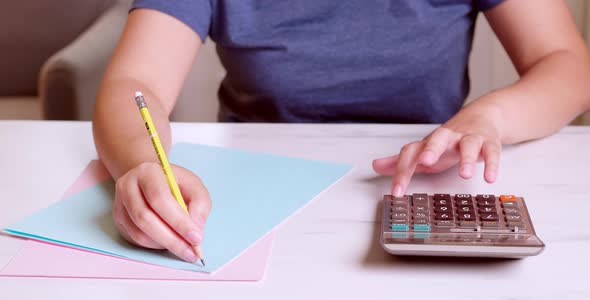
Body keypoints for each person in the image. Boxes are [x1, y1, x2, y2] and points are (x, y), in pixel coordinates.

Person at [92, 0, 590, 262]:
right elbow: (136, 83)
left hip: (421, 195)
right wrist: (141, 161)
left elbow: (568, 66)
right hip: (250, 207)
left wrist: (491, 117)